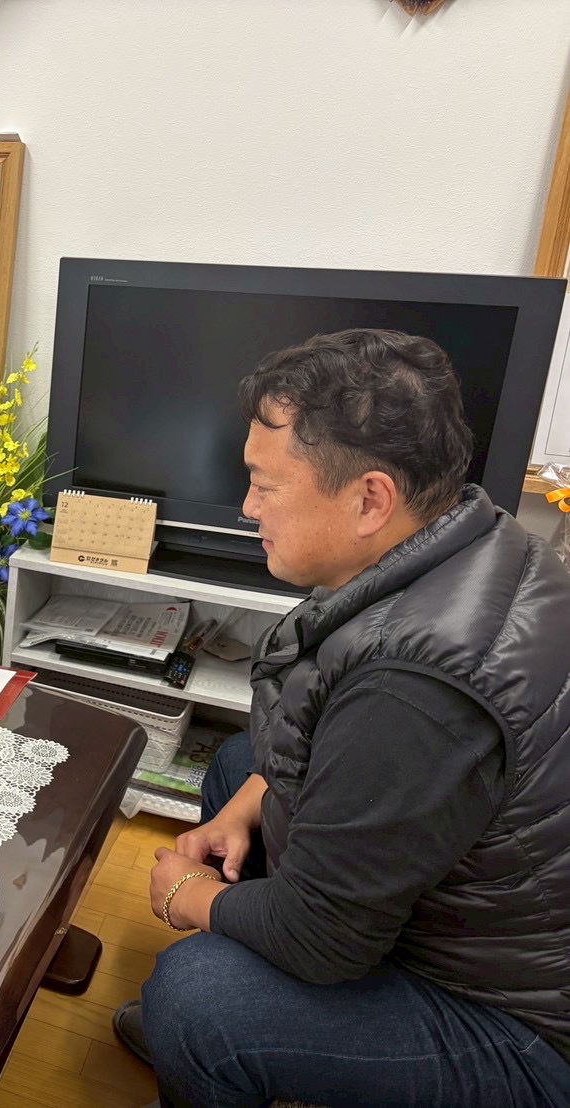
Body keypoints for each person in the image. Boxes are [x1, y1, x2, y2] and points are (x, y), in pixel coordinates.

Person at [115, 329, 570, 1107]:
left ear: (369, 499)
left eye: (264, 485)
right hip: (474, 919)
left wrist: (186, 894)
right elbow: (319, 745)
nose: (247, 507)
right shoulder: (468, 537)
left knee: (194, 997)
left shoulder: (415, 687)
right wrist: (238, 811)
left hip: (521, 1027)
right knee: (238, 770)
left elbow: (320, 938)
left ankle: (213, 1039)